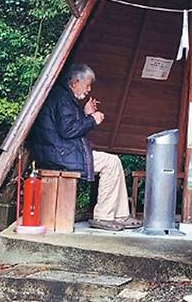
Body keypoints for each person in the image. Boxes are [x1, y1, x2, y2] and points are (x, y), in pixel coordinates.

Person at [27, 63, 141, 231]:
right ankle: (104, 216)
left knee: (112, 161)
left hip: (57, 151)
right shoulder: (63, 98)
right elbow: (68, 130)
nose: (88, 90)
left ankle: (120, 215)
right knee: (111, 162)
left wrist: (85, 114)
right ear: (74, 82)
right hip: (61, 154)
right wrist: (92, 119)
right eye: (87, 85)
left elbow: (67, 126)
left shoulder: (62, 96)